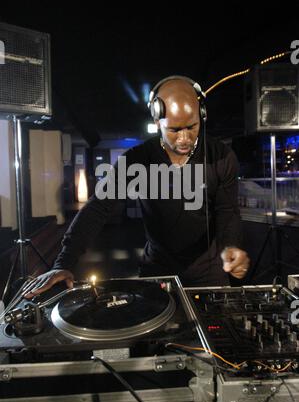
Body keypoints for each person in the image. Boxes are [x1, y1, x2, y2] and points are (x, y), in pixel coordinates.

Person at [25, 76, 249, 298]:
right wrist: (63, 262)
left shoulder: (222, 156)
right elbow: (98, 207)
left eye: (192, 127)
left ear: (202, 115)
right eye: (174, 129)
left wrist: (231, 247)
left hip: (209, 272)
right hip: (158, 268)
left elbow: (227, 212)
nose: (184, 138)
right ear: (157, 120)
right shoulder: (137, 159)